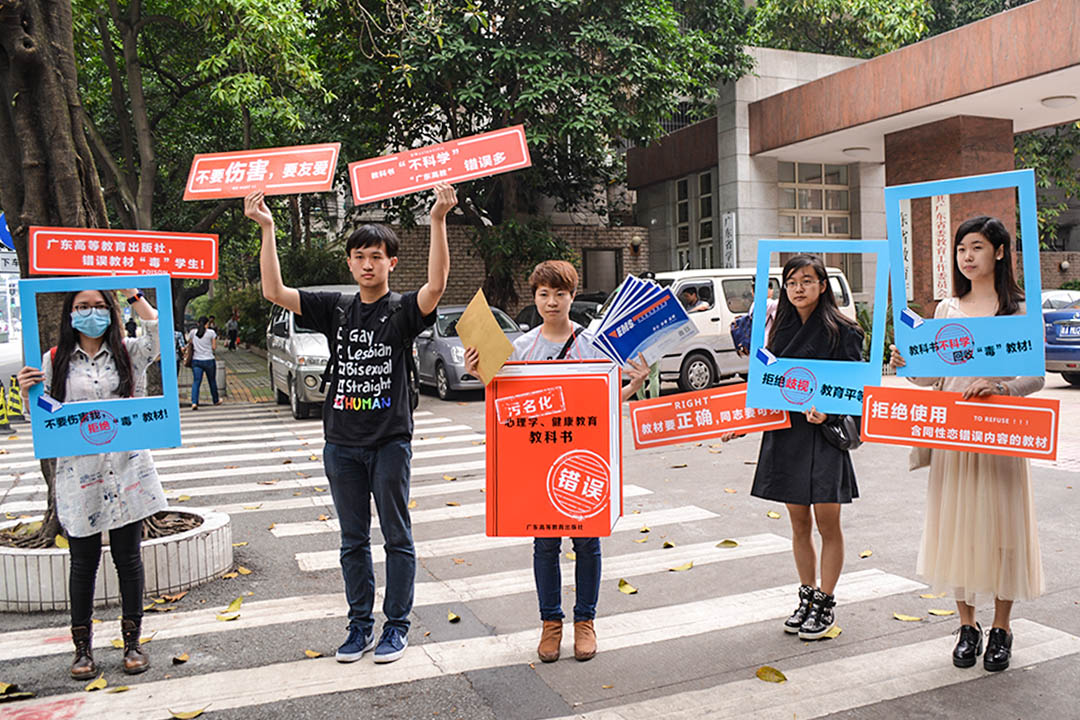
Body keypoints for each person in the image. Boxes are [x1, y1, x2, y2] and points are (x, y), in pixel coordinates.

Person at [244, 182, 456, 665]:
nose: (367, 264)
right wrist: (268, 227)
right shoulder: (336, 308)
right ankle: (359, 627)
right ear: (350, 263)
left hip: (388, 443)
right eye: (359, 256)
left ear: (391, 263)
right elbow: (273, 291)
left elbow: (437, 286)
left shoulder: (401, 311)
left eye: (376, 256)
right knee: (352, 540)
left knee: (396, 537)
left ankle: (396, 627)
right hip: (340, 443)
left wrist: (439, 219)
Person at [464, 260, 650, 663]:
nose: (552, 302)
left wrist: (632, 385)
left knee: (587, 541)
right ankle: (551, 624)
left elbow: (602, 405)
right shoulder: (521, 347)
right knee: (544, 545)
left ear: (572, 295)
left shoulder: (593, 345)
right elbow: (508, 407)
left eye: (560, 293)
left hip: (583, 458)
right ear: (534, 297)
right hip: (537, 461)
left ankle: (585, 622)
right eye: (544, 294)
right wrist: (481, 375)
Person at [890, 216, 1043, 672]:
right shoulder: (946, 309)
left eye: (976, 247)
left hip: (999, 436)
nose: (967, 257)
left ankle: (1002, 627)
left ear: (999, 252)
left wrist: (1002, 390)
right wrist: (907, 363)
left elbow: (1034, 375)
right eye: (961, 250)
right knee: (955, 528)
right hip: (953, 437)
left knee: (1003, 533)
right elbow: (933, 378)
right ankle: (967, 626)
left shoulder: (1017, 310)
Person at [16, 288, 165, 678]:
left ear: (111, 310)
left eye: (99, 306)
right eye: (82, 307)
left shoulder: (128, 352)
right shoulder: (53, 360)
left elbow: (156, 331)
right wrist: (28, 392)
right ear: (70, 313)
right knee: (83, 563)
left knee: (128, 560)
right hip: (79, 477)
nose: (91, 314)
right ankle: (82, 650)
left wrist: (131, 292)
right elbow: (42, 421)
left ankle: (132, 644)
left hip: (127, 471)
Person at [723, 254, 863, 640]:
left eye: (806, 280)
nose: (798, 288)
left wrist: (830, 414)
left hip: (823, 437)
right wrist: (741, 423)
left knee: (827, 524)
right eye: (791, 282)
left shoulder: (844, 331)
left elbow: (856, 391)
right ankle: (805, 597)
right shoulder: (777, 331)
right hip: (786, 436)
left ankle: (826, 601)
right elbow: (766, 390)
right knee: (799, 524)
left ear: (823, 285)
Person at [187, 316, 220, 409]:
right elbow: (214, 347)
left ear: (198, 323)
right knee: (212, 381)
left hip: (196, 361)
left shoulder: (193, 332)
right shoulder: (211, 333)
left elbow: (190, 343)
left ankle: (194, 402)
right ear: (207, 324)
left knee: (196, 382)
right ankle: (215, 400)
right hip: (209, 360)